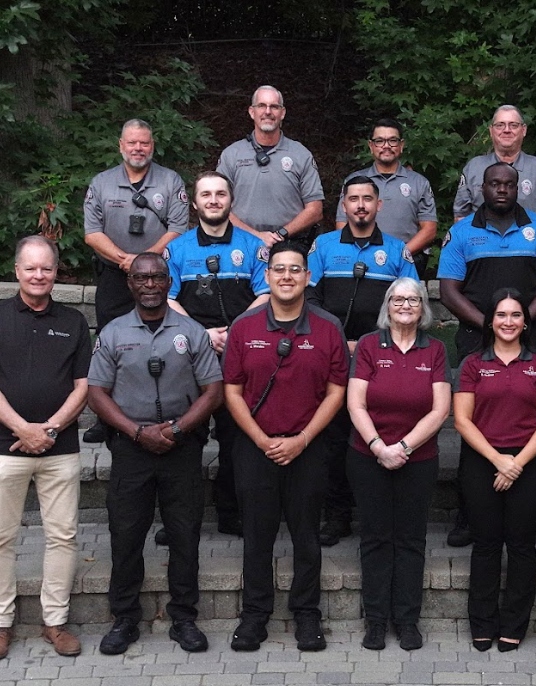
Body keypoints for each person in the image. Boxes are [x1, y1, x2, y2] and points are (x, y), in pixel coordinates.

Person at [87, 252, 223, 655]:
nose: (149, 285)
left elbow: (213, 391)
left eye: (157, 277)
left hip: (182, 446)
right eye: (141, 278)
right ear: (129, 284)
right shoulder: (112, 332)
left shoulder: (191, 331)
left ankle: (184, 617)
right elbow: (96, 392)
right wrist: (135, 431)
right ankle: (125, 618)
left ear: (169, 282)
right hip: (131, 447)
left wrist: (178, 429)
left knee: (184, 534)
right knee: (126, 534)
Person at [222, 241, 348, 653]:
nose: (288, 276)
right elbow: (232, 391)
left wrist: (304, 439)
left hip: (308, 448)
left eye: (296, 269)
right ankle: (254, 616)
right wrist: (260, 439)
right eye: (279, 270)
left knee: (306, 536)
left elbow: (336, 391)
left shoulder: (328, 328)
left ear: (308, 277)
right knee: (256, 537)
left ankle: (307, 614)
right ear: (268, 276)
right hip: (255, 447)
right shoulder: (245, 327)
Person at [439, 161, 536, 547]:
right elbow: (448, 290)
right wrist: (490, 325)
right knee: (472, 422)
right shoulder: (461, 233)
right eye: (493, 184)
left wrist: (519, 323)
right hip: (475, 337)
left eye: (507, 184)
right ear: (483, 187)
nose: (500, 190)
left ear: (517, 188)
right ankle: (467, 514)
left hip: (532, 339)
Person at [309, 176, 419, 547]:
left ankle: (377, 513)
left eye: (367, 199)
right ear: (343, 205)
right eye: (353, 199)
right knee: (335, 438)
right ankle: (336, 515)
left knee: (377, 431)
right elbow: (310, 300)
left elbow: (409, 303)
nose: (360, 205)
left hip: (382, 358)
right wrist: (340, 341)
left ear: (379, 205)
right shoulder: (322, 246)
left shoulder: (397, 250)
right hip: (333, 357)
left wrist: (372, 343)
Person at [165, 171, 270, 540]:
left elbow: (266, 294)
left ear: (231, 201)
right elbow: (167, 298)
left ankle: (232, 514)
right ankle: (179, 521)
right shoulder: (177, 249)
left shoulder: (254, 246)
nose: (213, 200)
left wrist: (235, 333)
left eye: (220, 194)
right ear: (194, 203)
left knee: (234, 439)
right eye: (206, 194)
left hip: (237, 352)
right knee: (184, 441)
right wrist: (202, 334)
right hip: (189, 352)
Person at [347, 278, 451, 651]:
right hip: (367, 456)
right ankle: (375, 621)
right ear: (387, 305)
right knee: (375, 538)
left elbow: (440, 410)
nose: (405, 304)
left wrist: (403, 447)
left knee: (410, 540)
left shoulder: (435, 349)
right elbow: (355, 403)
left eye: (413, 299)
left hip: (418, 458)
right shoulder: (370, 346)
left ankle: (407, 621)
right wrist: (379, 446)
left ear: (423, 306)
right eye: (398, 299)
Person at [0, 236, 91, 659]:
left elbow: (84, 385)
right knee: (1, 538)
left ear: (57, 272)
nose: (39, 275)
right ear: (16, 271)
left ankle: (54, 622)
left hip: (60, 448)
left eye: (47, 268)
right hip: (5, 445)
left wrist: (50, 429)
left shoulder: (73, 321)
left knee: (63, 536)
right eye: (31, 268)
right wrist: (23, 428)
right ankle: (1, 624)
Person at [453, 288, 536, 652]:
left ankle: (514, 624)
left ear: (526, 322)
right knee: (485, 546)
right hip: (483, 462)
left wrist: (516, 464)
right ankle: (482, 623)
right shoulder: (472, 364)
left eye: (515, 315)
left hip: (529, 463)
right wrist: (499, 461)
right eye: (501, 315)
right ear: (490, 321)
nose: (508, 322)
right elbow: (462, 421)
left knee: (522, 546)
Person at [82, 118, 189, 443]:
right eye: (132, 143)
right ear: (121, 146)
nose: (138, 148)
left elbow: (178, 228)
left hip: (158, 277)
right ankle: (106, 417)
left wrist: (145, 263)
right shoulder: (101, 183)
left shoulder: (171, 181)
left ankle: (169, 411)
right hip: (114, 276)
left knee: (162, 341)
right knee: (108, 344)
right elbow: (92, 233)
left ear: (152, 146)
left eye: (144, 143)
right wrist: (124, 261)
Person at [216, 85, 324, 246]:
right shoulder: (231, 155)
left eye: (274, 106)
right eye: (261, 106)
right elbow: (218, 205)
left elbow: (315, 210)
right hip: (240, 243)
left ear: (283, 113)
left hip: (290, 244)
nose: (268, 111)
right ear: (252, 112)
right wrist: (255, 235)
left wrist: (280, 234)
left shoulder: (301, 154)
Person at [335, 118, 437, 276]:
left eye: (392, 140)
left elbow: (429, 229)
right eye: (380, 141)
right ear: (371, 146)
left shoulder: (419, 182)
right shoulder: (354, 182)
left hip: (407, 261)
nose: (386, 146)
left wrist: (399, 254)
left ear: (401, 145)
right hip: (361, 260)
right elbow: (342, 224)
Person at [453, 105, 536, 226]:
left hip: (527, 242)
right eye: (500, 125)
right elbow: (460, 217)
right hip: (482, 242)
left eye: (513, 125)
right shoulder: (473, 168)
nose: (506, 130)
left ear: (523, 130)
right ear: (491, 131)